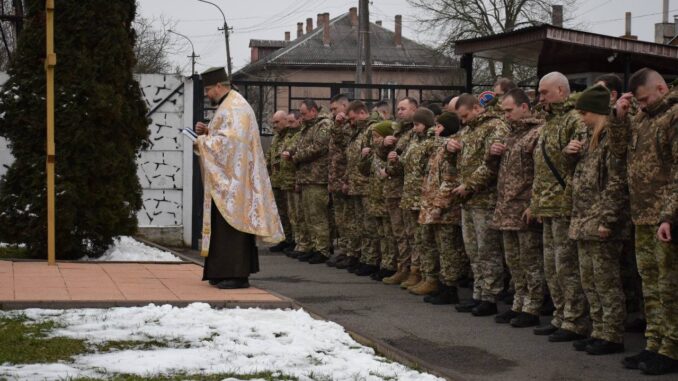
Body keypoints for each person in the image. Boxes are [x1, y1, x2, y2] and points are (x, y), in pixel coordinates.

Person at [612, 68, 678, 375]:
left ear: (662, 88)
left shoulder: (674, 116)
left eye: (644, 99)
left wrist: (670, 215)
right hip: (643, 215)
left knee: (669, 287)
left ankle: (671, 349)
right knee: (650, 286)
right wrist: (619, 118)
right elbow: (618, 151)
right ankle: (654, 344)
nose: (641, 105)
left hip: (665, 217)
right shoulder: (641, 118)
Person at [194, 67, 284, 289]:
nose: (207, 95)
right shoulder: (228, 105)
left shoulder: (235, 107)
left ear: (218, 86)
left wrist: (202, 143)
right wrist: (207, 133)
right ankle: (220, 271)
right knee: (222, 227)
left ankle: (237, 274)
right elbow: (226, 138)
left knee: (232, 229)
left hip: (235, 182)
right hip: (229, 179)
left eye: (208, 90)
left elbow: (231, 145)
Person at [567, 84, 630, 355]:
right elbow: (580, 178)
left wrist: (607, 219)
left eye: (585, 113)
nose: (582, 118)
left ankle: (612, 334)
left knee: (606, 281)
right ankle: (599, 329)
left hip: (601, 220)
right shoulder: (588, 138)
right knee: (589, 280)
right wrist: (569, 156)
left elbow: (616, 182)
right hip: (583, 218)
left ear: (598, 112)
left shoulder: (610, 140)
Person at [530, 72, 589, 342]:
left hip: (565, 204)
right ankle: (560, 315)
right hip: (547, 205)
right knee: (552, 267)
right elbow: (540, 169)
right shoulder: (549, 122)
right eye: (540, 93)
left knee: (566, 267)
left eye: (545, 92)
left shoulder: (573, 120)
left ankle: (574, 320)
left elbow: (583, 160)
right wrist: (536, 203)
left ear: (562, 92)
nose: (540, 97)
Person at [446, 93, 509, 316]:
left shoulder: (495, 127)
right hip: (468, 200)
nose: (462, 120)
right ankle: (479, 293)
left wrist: (470, 185)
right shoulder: (467, 130)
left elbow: (491, 165)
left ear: (476, 108)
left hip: (485, 198)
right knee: (473, 250)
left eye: (464, 115)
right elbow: (457, 163)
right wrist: (450, 151)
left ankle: (490, 296)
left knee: (487, 249)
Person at [488, 88, 544, 327]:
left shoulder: (536, 133)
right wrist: (492, 155)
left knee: (530, 261)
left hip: (523, 209)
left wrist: (534, 204)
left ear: (524, 107)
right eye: (503, 111)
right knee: (514, 262)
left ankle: (532, 307)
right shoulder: (510, 135)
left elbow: (540, 174)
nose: (506, 115)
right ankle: (518, 303)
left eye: (509, 110)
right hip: (506, 209)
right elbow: (496, 172)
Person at [418, 111, 467, 304]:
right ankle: (442, 284)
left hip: (447, 209)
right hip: (435, 205)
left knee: (448, 249)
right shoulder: (441, 148)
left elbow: (449, 179)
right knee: (439, 246)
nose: (435, 130)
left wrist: (439, 205)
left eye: (439, 127)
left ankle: (450, 287)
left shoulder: (452, 147)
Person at [389, 107, 438, 295]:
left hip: (422, 196)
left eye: (417, 124)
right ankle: (415, 271)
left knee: (424, 239)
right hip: (410, 195)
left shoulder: (431, 141)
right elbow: (406, 166)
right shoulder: (414, 141)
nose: (414, 128)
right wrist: (395, 160)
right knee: (414, 237)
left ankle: (427, 275)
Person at [282, 99, 333, 264]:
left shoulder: (323, 125)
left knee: (317, 216)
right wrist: (289, 150)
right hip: (306, 177)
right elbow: (296, 142)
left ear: (313, 111)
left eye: (303, 113)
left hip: (317, 178)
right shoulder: (308, 127)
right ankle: (312, 246)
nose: (301, 117)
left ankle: (322, 249)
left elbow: (319, 147)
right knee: (307, 216)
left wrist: (295, 157)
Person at [380, 97, 419, 287]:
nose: (399, 112)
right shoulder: (399, 132)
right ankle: (403, 268)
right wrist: (384, 145)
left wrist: (390, 166)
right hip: (394, 189)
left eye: (403, 108)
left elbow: (407, 162)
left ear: (414, 109)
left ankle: (414, 270)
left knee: (411, 233)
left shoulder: (416, 132)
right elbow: (385, 157)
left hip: (407, 189)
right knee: (399, 232)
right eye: (398, 109)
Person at [343, 101, 382, 275]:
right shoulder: (358, 130)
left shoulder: (374, 128)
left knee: (369, 225)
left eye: (352, 118)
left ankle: (372, 259)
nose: (351, 122)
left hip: (368, 185)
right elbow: (352, 159)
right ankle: (364, 257)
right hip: (357, 184)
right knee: (360, 225)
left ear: (361, 113)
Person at [360, 120, 398, 281]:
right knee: (381, 233)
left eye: (377, 136)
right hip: (375, 196)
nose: (375, 140)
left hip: (386, 196)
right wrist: (364, 157)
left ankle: (390, 264)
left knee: (390, 234)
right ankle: (384, 262)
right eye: (373, 137)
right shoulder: (376, 151)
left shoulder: (389, 151)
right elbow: (363, 169)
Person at [326, 94, 352, 267]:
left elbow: (346, 149)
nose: (333, 113)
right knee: (340, 219)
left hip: (346, 178)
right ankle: (344, 250)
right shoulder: (338, 125)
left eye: (335, 109)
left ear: (344, 105)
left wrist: (345, 179)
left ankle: (351, 252)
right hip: (336, 177)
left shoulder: (351, 125)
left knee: (349, 218)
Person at [281, 111, 311, 259]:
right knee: (293, 215)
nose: (289, 125)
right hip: (287, 180)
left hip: (296, 180)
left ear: (299, 121)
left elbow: (297, 155)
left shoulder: (301, 135)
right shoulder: (289, 135)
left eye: (291, 121)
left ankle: (303, 244)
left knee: (300, 215)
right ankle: (298, 242)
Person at [267, 111, 295, 253]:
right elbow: (270, 156)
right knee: (280, 213)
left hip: (288, 181)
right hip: (276, 181)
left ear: (285, 120)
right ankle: (285, 239)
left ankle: (293, 240)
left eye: (277, 122)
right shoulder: (276, 138)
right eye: (273, 123)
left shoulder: (292, 136)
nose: (274, 126)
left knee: (291, 213)